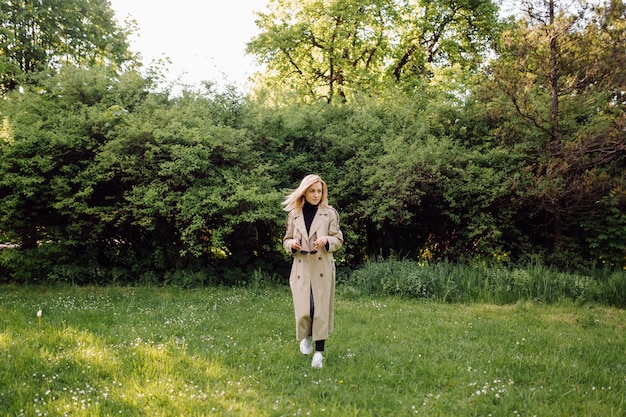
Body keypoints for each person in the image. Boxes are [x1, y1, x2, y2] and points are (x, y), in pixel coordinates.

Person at [282, 174, 344, 368]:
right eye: (312, 191)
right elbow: (286, 240)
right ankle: (306, 336)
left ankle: (319, 352)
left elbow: (338, 239)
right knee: (304, 310)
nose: (316, 195)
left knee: (320, 310)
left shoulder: (329, 213)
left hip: (321, 267)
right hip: (301, 266)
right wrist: (291, 243)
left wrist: (327, 241)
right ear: (305, 192)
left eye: (319, 191)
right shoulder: (294, 214)